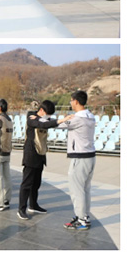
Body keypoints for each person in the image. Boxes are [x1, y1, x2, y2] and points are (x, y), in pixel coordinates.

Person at [17, 100, 73, 220]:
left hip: (40, 154)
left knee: (36, 183)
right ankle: (21, 209)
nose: (48, 117)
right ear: (41, 110)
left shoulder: (43, 119)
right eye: (47, 114)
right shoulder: (31, 118)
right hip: (31, 154)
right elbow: (41, 124)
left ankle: (33, 205)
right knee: (27, 183)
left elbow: (47, 122)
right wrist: (61, 120)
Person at [58, 91, 96, 230]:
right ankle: (84, 216)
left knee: (76, 190)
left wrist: (62, 119)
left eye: (71, 100)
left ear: (76, 101)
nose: (70, 102)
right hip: (90, 156)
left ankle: (82, 220)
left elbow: (57, 125)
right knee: (85, 189)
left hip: (80, 158)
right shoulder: (90, 116)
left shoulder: (78, 119)